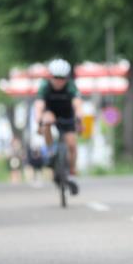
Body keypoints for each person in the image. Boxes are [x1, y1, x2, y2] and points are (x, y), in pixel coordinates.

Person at [33, 59, 83, 194]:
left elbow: (77, 104)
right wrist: (39, 122)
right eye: (56, 77)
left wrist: (79, 118)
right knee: (47, 120)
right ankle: (50, 151)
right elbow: (39, 106)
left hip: (67, 115)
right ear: (51, 77)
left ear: (67, 78)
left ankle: (71, 172)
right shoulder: (45, 86)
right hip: (51, 112)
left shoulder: (71, 86)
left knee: (72, 145)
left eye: (62, 78)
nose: (59, 81)